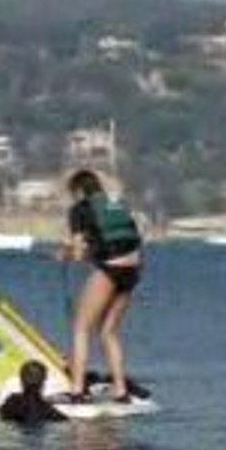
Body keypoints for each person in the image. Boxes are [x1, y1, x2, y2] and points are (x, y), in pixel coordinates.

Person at [60, 169, 143, 403]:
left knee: (81, 328)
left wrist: (66, 253)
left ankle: (77, 391)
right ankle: (120, 390)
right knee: (109, 332)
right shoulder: (117, 205)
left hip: (110, 268)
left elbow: (78, 255)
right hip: (134, 269)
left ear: (78, 191)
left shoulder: (79, 210)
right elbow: (124, 240)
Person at [0, 361, 67, 425]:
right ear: (43, 382)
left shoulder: (11, 401)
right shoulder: (48, 410)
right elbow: (65, 420)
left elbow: (3, 416)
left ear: (21, 380)